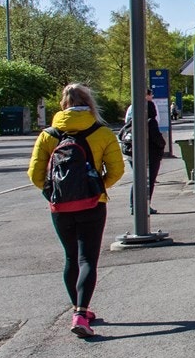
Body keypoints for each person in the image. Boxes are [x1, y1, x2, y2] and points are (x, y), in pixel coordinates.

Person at [28, 83, 125, 339]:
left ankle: (77, 309)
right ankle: (81, 313)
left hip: (60, 207)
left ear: (63, 104)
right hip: (93, 204)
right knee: (87, 259)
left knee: (71, 258)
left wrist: (54, 193)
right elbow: (117, 170)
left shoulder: (48, 135)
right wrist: (96, 188)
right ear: (89, 103)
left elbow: (35, 174)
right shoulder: (101, 132)